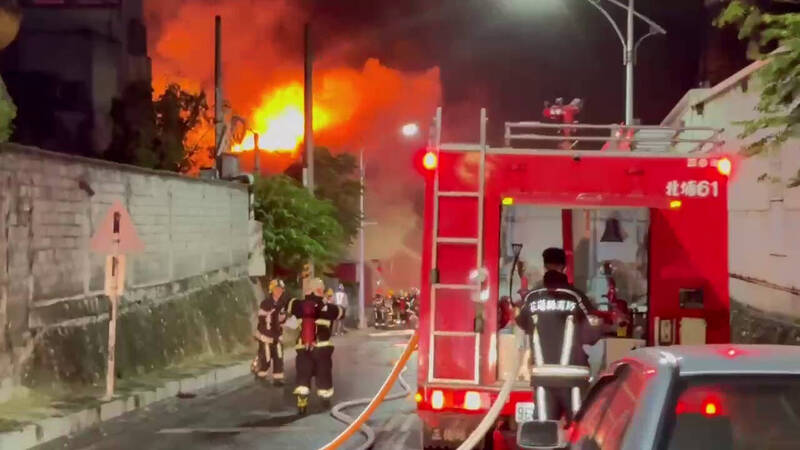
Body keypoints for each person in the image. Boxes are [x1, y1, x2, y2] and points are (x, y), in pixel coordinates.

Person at [515, 247, 601, 423]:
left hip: (543, 377)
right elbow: (592, 333)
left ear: (545, 266)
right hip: (573, 378)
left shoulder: (532, 298)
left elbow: (522, 323)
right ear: (565, 267)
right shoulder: (575, 297)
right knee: (578, 430)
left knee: (545, 433)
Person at [287, 278, 345, 414]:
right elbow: (341, 313)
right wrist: (328, 302)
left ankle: (302, 399)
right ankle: (325, 397)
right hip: (322, 347)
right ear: (320, 290)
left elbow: (289, 308)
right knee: (323, 372)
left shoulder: (298, 305)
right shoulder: (328, 308)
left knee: (303, 372)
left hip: (304, 347)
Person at [254, 279, 289, 385]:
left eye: (281, 289)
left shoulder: (282, 303)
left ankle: (278, 379)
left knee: (279, 357)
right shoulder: (265, 303)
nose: (279, 291)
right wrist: (274, 318)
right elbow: (262, 320)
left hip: (277, 336)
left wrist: (283, 319)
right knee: (266, 358)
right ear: (272, 290)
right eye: (277, 289)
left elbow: (283, 319)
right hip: (266, 336)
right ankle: (260, 372)